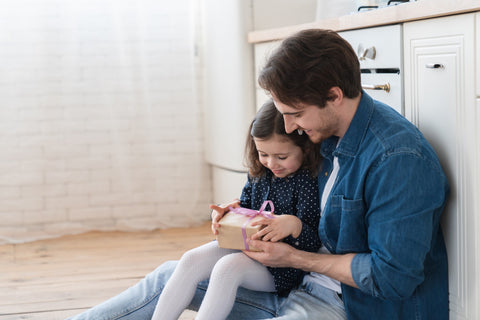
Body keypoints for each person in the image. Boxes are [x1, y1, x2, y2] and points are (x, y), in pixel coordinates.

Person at [68, 28, 449, 320]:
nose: (289, 126)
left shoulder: (397, 158)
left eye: (295, 113)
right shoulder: (328, 134)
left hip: (347, 305)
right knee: (171, 274)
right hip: (296, 282)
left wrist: (294, 258)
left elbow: (391, 278)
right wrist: (245, 215)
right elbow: (294, 203)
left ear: (334, 95)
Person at [150, 100, 322, 320]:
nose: (271, 163)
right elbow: (247, 206)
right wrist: (229, 213)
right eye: (263, 154)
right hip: (247, 247)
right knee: (190, 259)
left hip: (281, 269)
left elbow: (315, 242)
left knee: (228, 267)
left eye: (282, 157)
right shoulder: (260, 172)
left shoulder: (307, 180)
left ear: (305, 149)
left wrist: (293, 225)